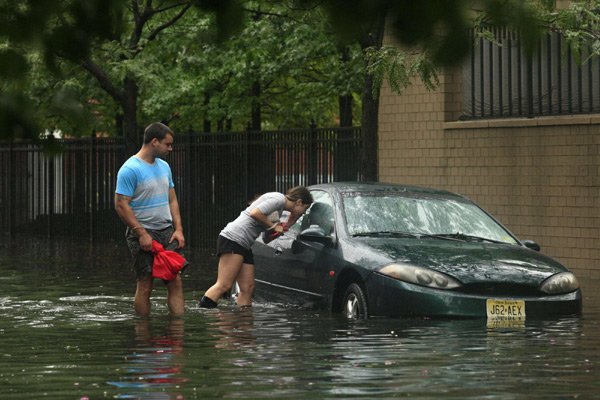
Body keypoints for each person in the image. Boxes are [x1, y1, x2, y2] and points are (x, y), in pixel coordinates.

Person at [115, 122, 187, 316]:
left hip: (167, 232)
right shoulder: (130, 169)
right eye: (168, 144)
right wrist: (141, 234)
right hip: (143, 234)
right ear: (155, 142)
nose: (170, 149)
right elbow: (121, 204)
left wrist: (178, 229)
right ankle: (143, 335)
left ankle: (177, 332)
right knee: (146, 284)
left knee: (175, 281)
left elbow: (172, 199)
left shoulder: (164, 166)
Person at [199, 186, 313, 308]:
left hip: (245, 244)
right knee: (224, 285)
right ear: (299, 202)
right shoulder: (278, 198)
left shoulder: (278, 210)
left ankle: (244, 322)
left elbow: (266, 238)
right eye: (305, 208)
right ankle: (205, 313)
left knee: (247, 288)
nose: (304, 212)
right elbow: (255, 213)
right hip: (233, 238)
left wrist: (289, 223)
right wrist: (274, 227)